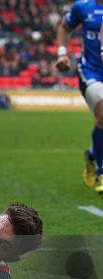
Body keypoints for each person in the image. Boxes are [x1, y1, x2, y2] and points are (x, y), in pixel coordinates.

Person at [56, 0, 103, 194]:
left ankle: (93, 154)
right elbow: (64, 27)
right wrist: (61, 54)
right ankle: (102, 172)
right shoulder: (82, 7)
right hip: (91, 71)